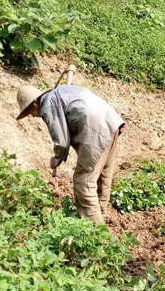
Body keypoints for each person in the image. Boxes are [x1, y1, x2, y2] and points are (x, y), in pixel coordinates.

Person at [15, 84, 124, 225]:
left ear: (35, 103)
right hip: (111, 122)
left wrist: (57, 158)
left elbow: (61, 141)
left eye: (30, 111)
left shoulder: (48, 104)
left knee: (83, 182)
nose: (33, 116)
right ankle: (101, 212)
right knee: (103, 173)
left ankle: (96, 232)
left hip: (95, 131)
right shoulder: (61, 92)